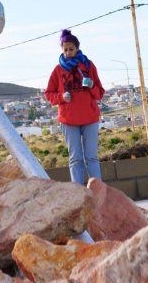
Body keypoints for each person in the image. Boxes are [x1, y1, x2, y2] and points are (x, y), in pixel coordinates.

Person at [44, 29, 105, 185]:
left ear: (77, 48)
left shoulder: (88, 65)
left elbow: (99, 93)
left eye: (71, 49)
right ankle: (78, 192)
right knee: (75, 158)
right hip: (68, 120)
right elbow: (49, 93)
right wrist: (61, 98)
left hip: (90, 118)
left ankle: (97, 189)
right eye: (65, 49)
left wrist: (91, 86)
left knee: (91, 156)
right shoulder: (58, 70)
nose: (68, 52)